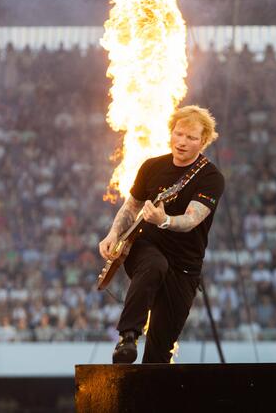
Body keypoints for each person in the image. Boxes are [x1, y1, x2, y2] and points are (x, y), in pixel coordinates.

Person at [99, 105, 225, 363]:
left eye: (191, 138)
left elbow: (192, 219)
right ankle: (128, 336)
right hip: (146, 247)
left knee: (161, 348)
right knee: (155, 264)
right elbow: (131, 205)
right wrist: (113, 234)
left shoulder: (211, 177)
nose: (182, 142)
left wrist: (164, 219)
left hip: (185, 265)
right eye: (178, 134)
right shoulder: (152, 166)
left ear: (203, 141)